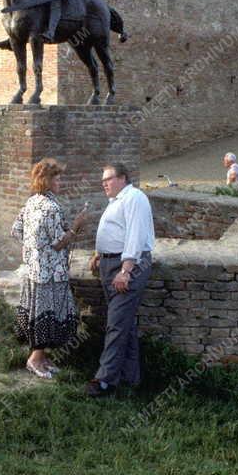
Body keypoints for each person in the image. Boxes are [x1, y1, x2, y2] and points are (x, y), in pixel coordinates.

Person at [11, 158, 86, 378]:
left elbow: (16, 231)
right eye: (57, 178)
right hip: (51, 274)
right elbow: (59, 243)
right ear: (47, 180)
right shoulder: (52, 207)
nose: (60, 182)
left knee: (39, 314)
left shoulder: (31, 202)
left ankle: (42, 358)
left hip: (34, 271)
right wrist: (76, 226)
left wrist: (35, 249)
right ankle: (34, 360)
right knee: (48, 316)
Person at [87, 163, 155, 398]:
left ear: (123, 178)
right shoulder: (116, 201)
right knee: (125, 323)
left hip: (128, 266)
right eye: (102, 180)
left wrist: (126, 270)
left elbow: (136, 235)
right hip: (110, 264)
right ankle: (130, 377)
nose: (104, 183)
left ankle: (104, 381)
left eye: (108, 179)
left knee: (116, 324)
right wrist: (99, 254)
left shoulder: (134, 197)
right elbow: (116, 231)